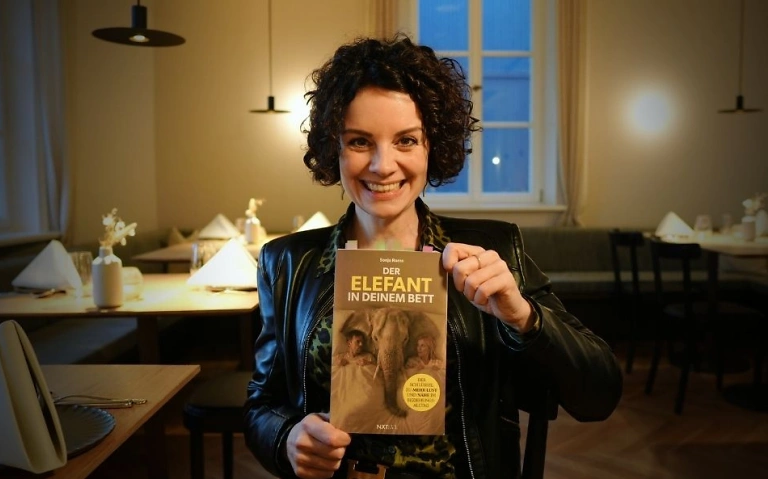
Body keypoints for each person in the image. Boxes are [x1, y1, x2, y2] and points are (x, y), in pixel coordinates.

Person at [244, 35, 622, 479]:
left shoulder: (494, 251)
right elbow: (261, 404)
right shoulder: (287, 263)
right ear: (334, 148)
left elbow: (599, 394)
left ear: (432, 146)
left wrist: (522, 316)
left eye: (406, 140)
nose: (383, 165)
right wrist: (286, 437)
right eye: (360, 141)